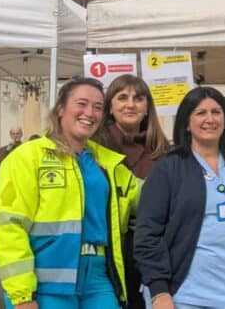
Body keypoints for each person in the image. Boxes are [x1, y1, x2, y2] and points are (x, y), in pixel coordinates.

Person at [0, 77, 141, 308]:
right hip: (45, 284)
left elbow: (150, 197)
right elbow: (10, 228)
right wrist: (22, 296)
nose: (89, 112)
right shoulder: (26, 158)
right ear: (60, 108)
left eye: (98, 107)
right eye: (81, 104)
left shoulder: (107, 163)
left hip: (98, 278)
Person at [134, 86, 225, 309]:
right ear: (187, 124)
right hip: (183, 295)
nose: (210, 119)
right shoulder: (169, 168)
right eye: (200, 113)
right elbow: (147, 235)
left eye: (216, 112)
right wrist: (159, 291)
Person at [94, 75, 170, 309]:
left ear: (147, 108)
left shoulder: (164, 151)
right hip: (107, 254)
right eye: (122, 97)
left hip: (153, 254)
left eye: (138, 98)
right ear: (110, 107)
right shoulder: (95, 147)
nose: (130, 104)